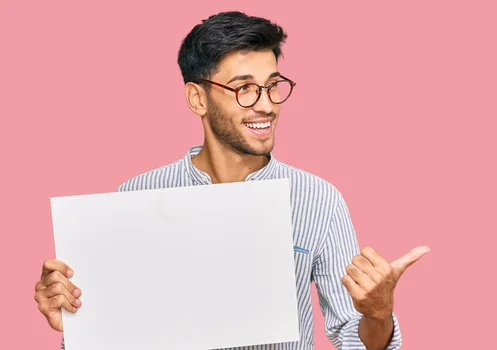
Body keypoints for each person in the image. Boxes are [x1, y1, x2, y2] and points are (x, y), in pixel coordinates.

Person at [34, 11, 429, 350]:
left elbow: (353, 337)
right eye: (244, 88)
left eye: (273, 85)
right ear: (197, 99)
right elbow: (114, 334)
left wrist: (378, 315)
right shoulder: (135, 196)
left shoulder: (318, 198)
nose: (266, 104)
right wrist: (74, 319)